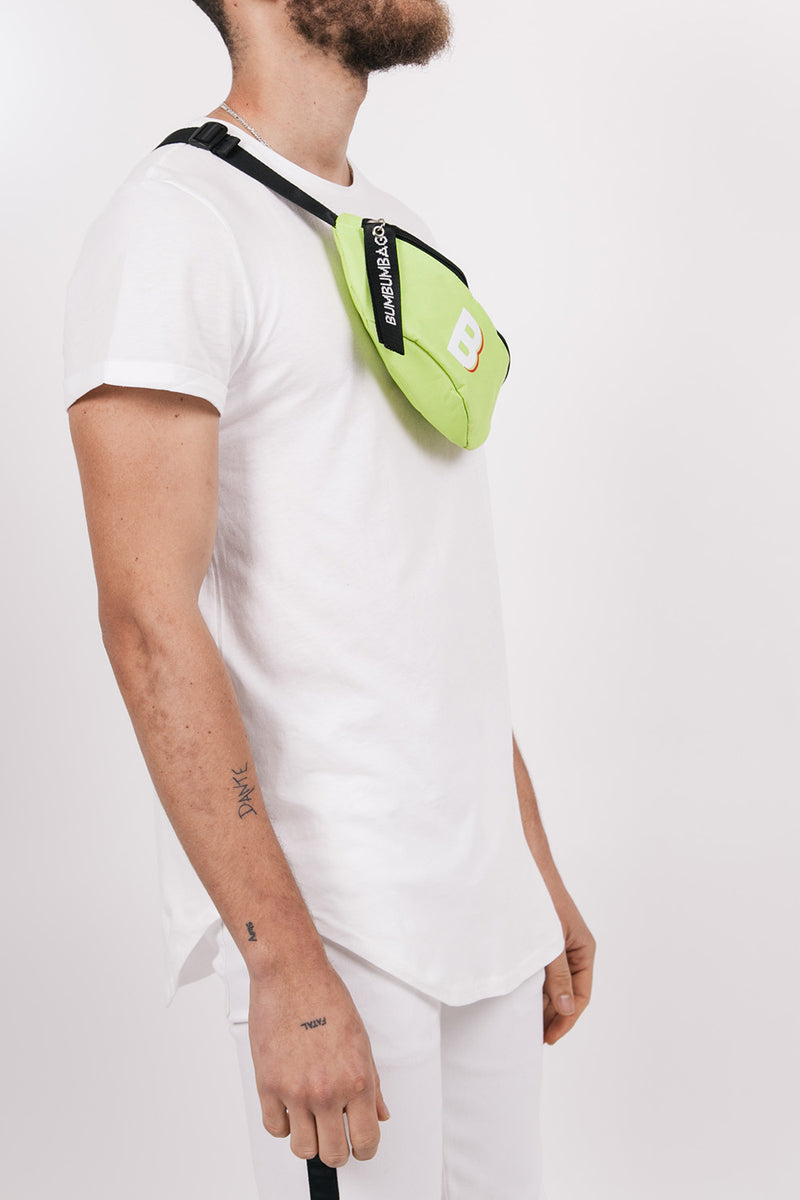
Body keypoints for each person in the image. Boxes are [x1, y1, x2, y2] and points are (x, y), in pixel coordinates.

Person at [63, 2, 596, 1197]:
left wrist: (531, 870)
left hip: (484, 914)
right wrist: (282, 967)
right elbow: (146, 619)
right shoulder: (176, 225)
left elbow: (422, 597)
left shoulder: (396, 233)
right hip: (339, 927)